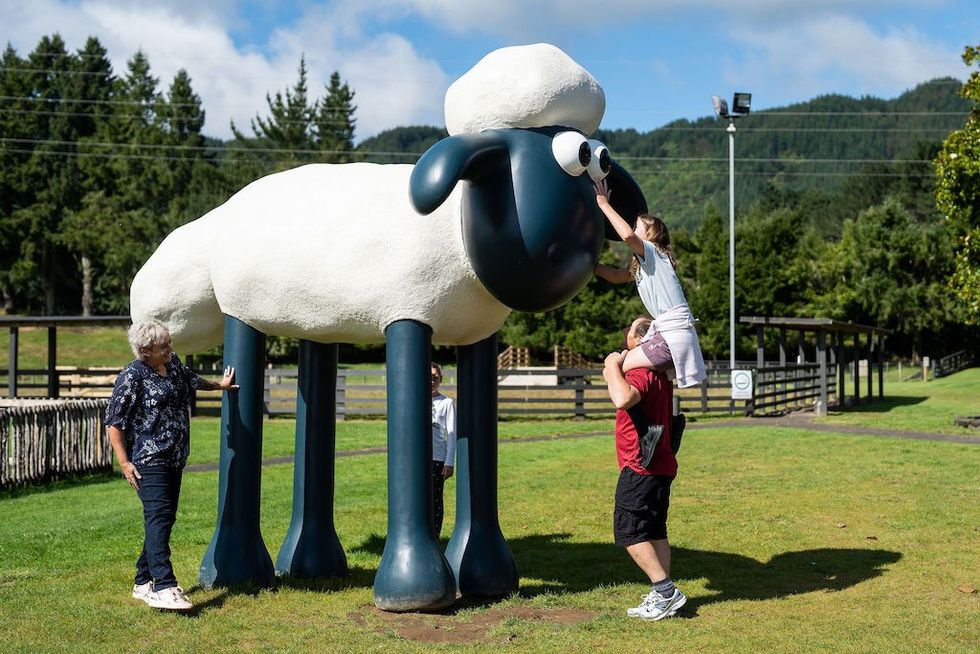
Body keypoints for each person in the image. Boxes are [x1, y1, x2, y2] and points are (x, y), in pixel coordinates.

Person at [105, 320, 238, 611]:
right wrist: (124, 463)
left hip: (175, 457)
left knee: (164, 519)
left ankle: (142, 582)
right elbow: (114, 422)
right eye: (163, 346)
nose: (170, 348)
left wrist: (220, 386)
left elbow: (191, 379)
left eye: (169, 342)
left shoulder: (173, 364)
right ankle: (164, 586)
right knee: (159, 517)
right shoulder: (132, 375)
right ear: (145, 351)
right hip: (148, 459)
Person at [603, 317, 687, 621]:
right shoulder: (661, 376)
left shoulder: (640, 372)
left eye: (629, 332)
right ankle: (661, 594)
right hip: (661, 464)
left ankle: (666, 591)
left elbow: (623, 397)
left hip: (640, 467)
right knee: (654, 530)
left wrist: (612, 365)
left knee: (629, 532)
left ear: (639, 342)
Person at [593, 179, 706, 389]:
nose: (633, 230)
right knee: (636, 372)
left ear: (650, 237)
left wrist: (603, 205)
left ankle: (644, 417)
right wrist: (590, 266)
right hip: (673, 336)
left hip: (672, 336)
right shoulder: (645, 267)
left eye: (638, 227)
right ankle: (664, 417)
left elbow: (626, 235)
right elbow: (617, 276)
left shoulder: (655, 253)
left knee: (616, 368)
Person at [430, 362, 457, 537]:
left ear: (440, 379)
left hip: (437, 459)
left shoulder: (446, 403)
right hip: (415, 460)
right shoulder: (414, 400)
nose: (431, 381)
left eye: (435, 377)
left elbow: (452, 434)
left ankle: (434, 536)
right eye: (428, 377)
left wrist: (449, 462)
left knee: (434, 500)